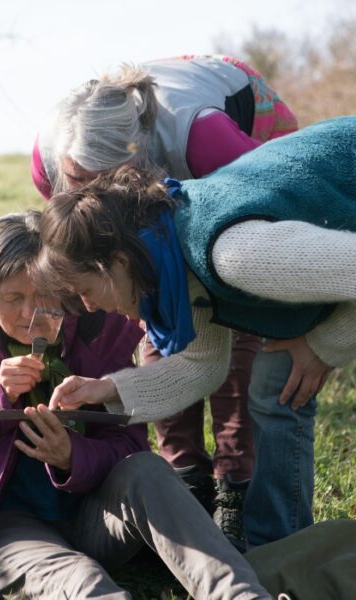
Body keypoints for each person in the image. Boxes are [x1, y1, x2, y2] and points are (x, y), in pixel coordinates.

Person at [0, 210, 275, 600]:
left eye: (47, 296)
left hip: (92, 516)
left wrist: (70, 457)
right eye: (14, 298)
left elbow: (129, 446)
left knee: (147, 469)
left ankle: (241, 595)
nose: (31, 314)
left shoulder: (99, 332)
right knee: (80, 582)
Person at [33, 116, 356, 549]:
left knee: (279, 378)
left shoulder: (233, 255)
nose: (89, 307)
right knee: (275, 380)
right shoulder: (171, 256)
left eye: (86, 291)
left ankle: (277, 554)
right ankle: (277, 556)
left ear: (117, 262)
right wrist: (106, 390)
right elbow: (202, 367)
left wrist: (324, 345)